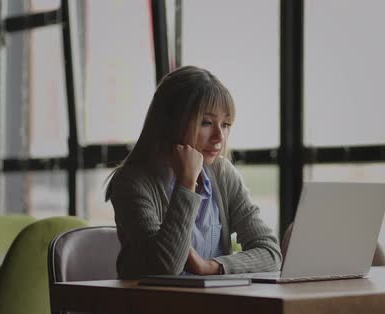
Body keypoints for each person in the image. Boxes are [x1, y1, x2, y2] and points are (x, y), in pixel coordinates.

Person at [105, 65, 282, 281]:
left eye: (225, 124)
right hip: (153, 312)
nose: (219, 137)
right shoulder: (131, 182)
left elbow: (271, 253)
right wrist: (186, 184)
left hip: (214, 310)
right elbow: (166, 266)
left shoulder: (223, 174)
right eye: (206, 123)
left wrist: (212, 267)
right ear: (171, 121)